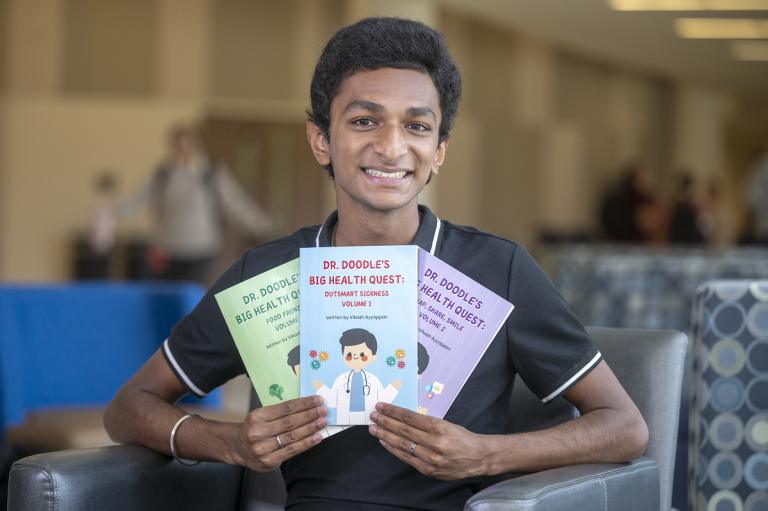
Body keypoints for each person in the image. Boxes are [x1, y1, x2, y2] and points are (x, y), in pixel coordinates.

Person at [105, 18, 648, 511]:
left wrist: (485, 455)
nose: (391, 148)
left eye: (416, 127)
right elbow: (129, 407)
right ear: (321, 140)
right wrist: (228, 442)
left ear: (438, 150)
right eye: (365, 121)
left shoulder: (498, 269)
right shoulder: (268, 274)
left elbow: (625, 427)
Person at [120, 125, 272, 284]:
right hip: (168, 248)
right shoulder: (163, 173)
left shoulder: (211, 171)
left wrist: (259, 223)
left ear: (196, 144)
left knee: (193, 297)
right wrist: (112, 212)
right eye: (178, 144)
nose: (183, 149)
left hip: (201, 248)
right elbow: (139, 198)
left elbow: (234, 201)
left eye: (187, 143)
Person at [312, 328, 402, 425]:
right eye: (349, 354)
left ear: (373, 356)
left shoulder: (373, 380)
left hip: (369, 420)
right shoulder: (341, 379)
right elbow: (333, 402)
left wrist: (392, 388)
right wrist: (321, 389)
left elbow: (382, 400)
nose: (355, 357)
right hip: (344, 420)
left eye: (362, 354)